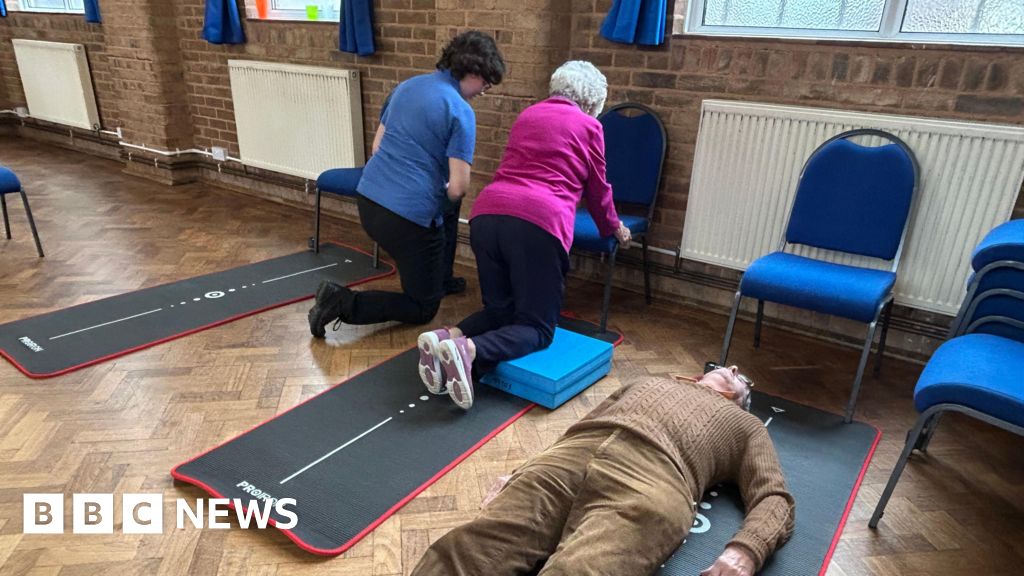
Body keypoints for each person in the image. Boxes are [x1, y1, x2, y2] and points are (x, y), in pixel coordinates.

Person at [410, 366, 794, 576]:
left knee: (583, 570)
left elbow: (774, 497)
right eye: (729, 367)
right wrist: (522, 469)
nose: (734, 368)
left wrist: (745, 552)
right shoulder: (646, 381)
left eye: (743, 379)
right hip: (571, 456)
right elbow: (576, 429)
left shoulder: (746, 426)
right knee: (468, 550)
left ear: (739, 400)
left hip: (654, 478)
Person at [415, 61, 632, 409]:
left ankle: (446, 337)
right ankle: (468, 349)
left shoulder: (529, 114)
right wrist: (613, 227)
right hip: (537, 223)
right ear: (592, 102)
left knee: (500, 310)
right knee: (538, 329)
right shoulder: (590, 125)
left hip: (486, 215)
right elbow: (597, 190)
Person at [308, 30, 505, 338]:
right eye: (486, 83)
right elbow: (458, 188)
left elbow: (377, 147)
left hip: (368, 202)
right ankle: (342, 302)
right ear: (473, 72)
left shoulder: (408, 86)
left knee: (440, 222)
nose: (485, 91)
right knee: (422, 307)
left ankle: (437, 278)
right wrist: (429, 207)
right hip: (405, 221)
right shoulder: (461, 111)